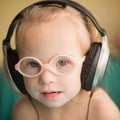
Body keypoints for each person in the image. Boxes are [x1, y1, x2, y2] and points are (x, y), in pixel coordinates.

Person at [2, 0, 120, 120]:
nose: (46, 79)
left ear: (90, 66)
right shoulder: (23, 112)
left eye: (62, 62)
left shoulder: (102, 113)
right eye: (33, 64)